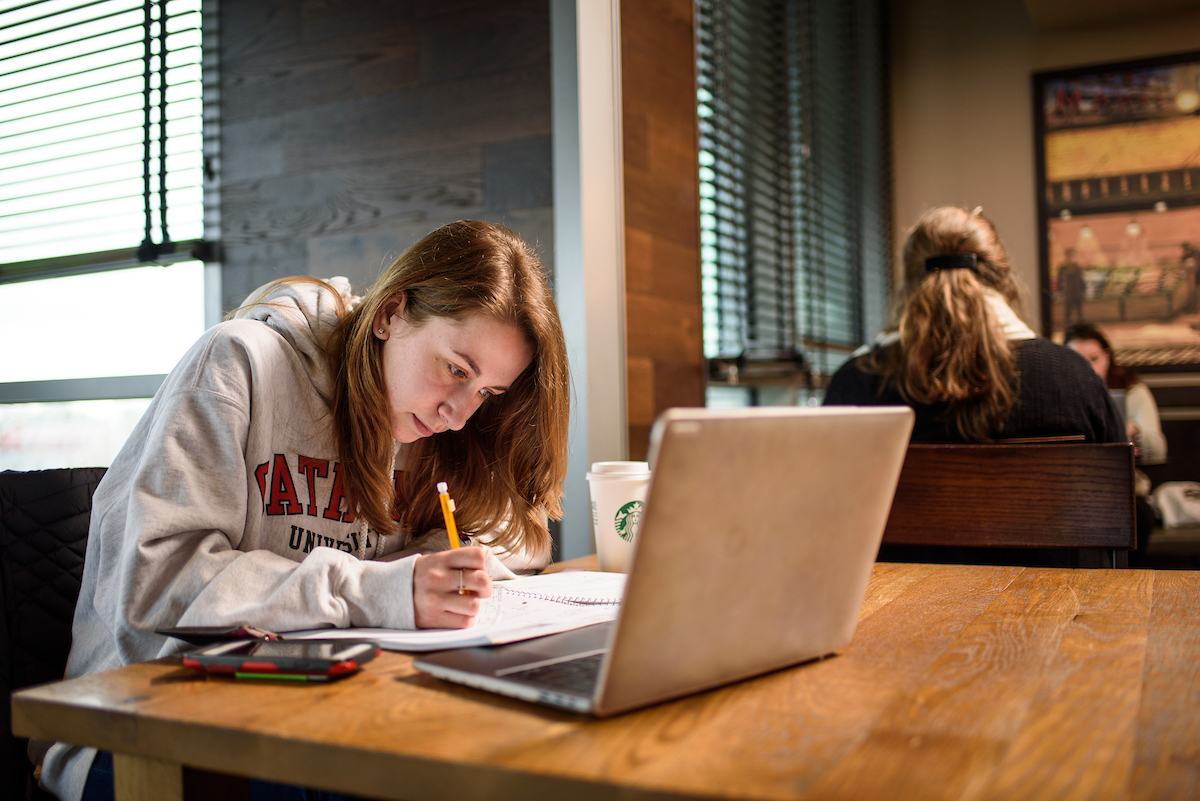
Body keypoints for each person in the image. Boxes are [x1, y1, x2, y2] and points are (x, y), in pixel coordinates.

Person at [39, 220, 570, 801]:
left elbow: (515, 539)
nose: (459, 412)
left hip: (319, 705)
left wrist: (443, 567)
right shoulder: (239, 362)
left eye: (487, 393)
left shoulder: (427, 429)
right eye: (458, 370)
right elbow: (157, 590)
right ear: (392, 313)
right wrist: (380, 590)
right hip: (140, 727)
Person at [824, 205, 1122, 445]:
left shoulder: (855, 384)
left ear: (907, 284)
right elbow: (1120, 501)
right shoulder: (1073, 377)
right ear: (1004, 279)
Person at [1064, 322, 1166, 466]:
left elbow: (1158, 451)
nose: (1088, 369)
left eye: (1094, 359)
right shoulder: (1060, 396)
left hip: (1127, 477)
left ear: (1107, 356)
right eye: (1078, 361)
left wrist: (1134, 430)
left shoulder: (1132, 390)